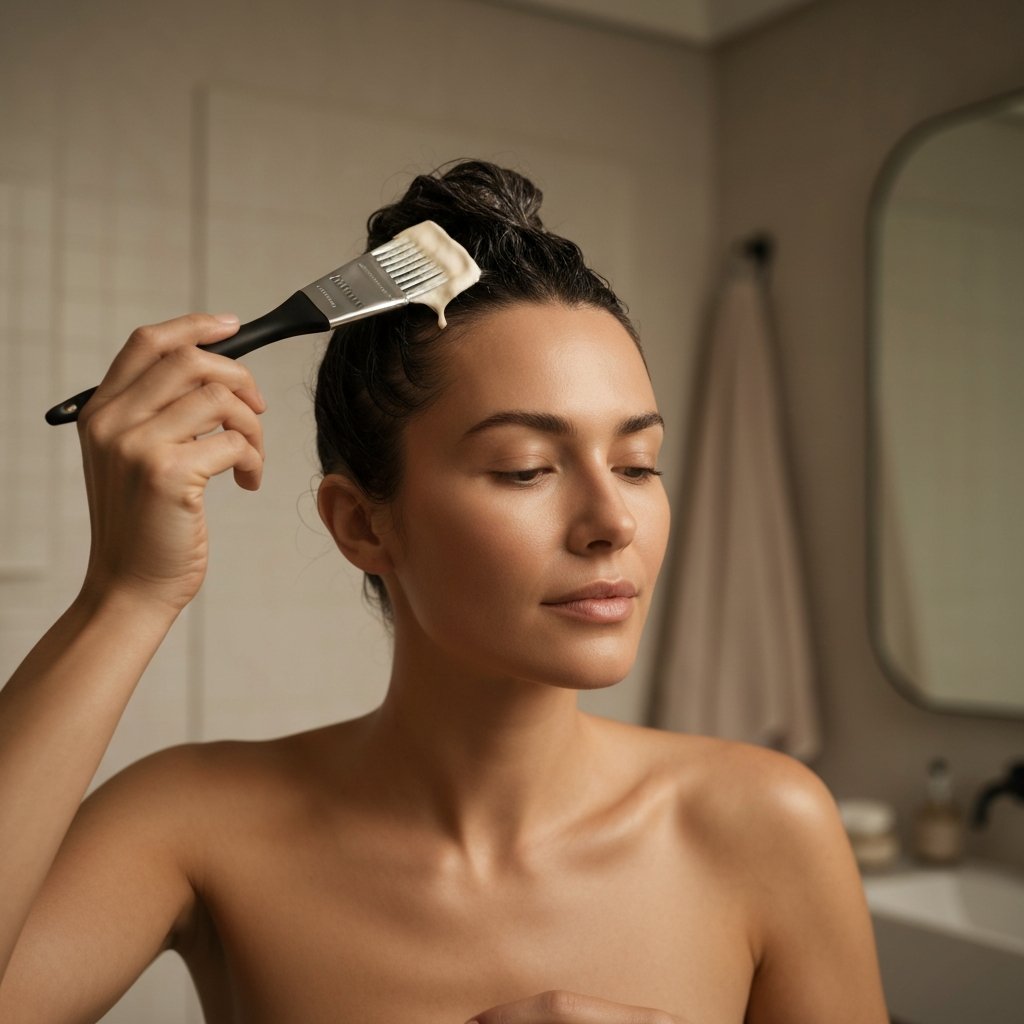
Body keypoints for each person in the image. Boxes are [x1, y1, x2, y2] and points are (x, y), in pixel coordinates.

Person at [0, 161, 888, 1024]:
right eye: (525, 468)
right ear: (362, 524)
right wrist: (126, 594)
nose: (611, 520)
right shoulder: (191, 825)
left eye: (637, 463)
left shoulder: (768, 827)